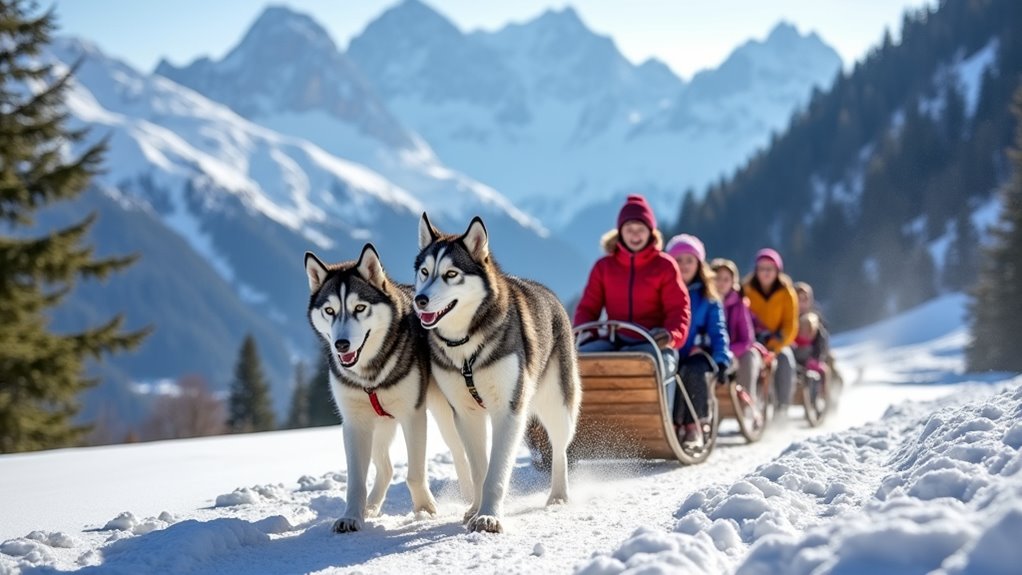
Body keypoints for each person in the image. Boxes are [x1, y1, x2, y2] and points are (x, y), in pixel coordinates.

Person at [574, 195, 691, 375]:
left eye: (641, 229)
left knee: (661, 365)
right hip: (614, 339)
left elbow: (678, 309)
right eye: (629, 229)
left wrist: (670, 335)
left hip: (652, 341)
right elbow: (589, 307)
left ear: (650, 231)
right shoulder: (604, 267)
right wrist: (587, 333)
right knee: (578, 361)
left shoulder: (664, 266)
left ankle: (662, 404)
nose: (635, 234)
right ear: (620, 232)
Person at [666, 235, 730, 448]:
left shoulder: (708, 297)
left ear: (699, 264)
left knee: (693, 372)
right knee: (668, 375)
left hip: (697, 353)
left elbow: (718, 330)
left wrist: (721, 360)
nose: (684, 265)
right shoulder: (664, 290)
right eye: (679, 260)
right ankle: (672, 426)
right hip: (670, 351)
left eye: (689, 260)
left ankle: (694, 426)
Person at [743, 248, 799, 412]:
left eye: (770, 269)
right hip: (752, 341)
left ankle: (783, 406)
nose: (766, 273)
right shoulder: (746, 290)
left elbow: (791, 324)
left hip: (778, 342)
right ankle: (749, 406)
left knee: (785, 361)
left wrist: (776, 344)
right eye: (762, 269)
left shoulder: (786, 292)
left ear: (777, 271)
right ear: (756, 271)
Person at [710, 258, 763, 401]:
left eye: (726, 279)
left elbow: (747, 339)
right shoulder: (705, 301)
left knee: (749, 357)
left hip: (735, 352)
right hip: (710, 351)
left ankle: (746, 402)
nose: (721, 283)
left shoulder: (739, 305)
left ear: (733, 282)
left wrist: (729, 352)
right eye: (718, 278)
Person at [793, 282, 831, 381]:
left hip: (814, 355)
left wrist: (815, 358)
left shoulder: (815, 318)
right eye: (799, 299)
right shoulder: (790, 318)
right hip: (796, 357)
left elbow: (822, 339)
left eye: (805, 299)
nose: (801, 303)